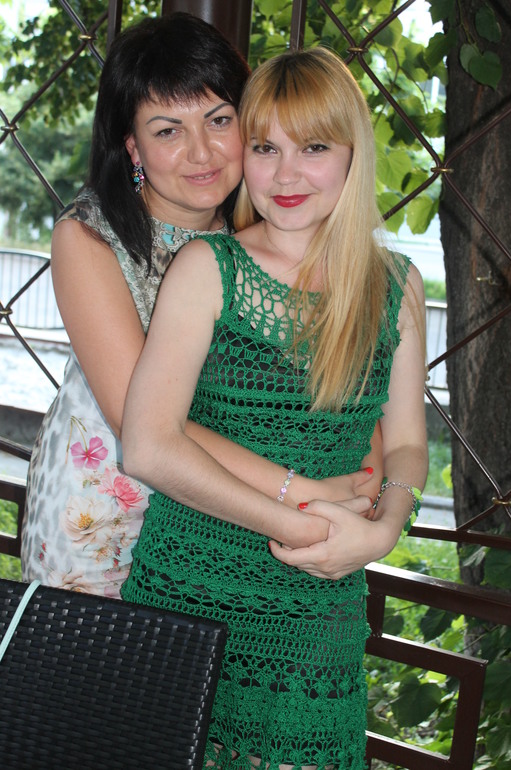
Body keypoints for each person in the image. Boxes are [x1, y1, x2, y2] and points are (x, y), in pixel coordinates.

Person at [120, 47, 429, 769]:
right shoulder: (208, 268)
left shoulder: (396, 285)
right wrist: (300, 525)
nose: (286, 174)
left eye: (313, 148)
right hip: (187, 584)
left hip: (318, 607)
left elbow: (408, 445)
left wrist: (384, 531)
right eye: (265, 148)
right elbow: (149, 445)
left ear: (352, 155)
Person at [21, 15, 379, 598]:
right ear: (132, 146)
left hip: (227, 525)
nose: (202, 151)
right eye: (168, 131)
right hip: (105, 520)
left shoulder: (267, 236)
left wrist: (363, 501)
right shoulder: (88, 237)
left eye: (219, 120)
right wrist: (300, 494)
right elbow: (136, 421)